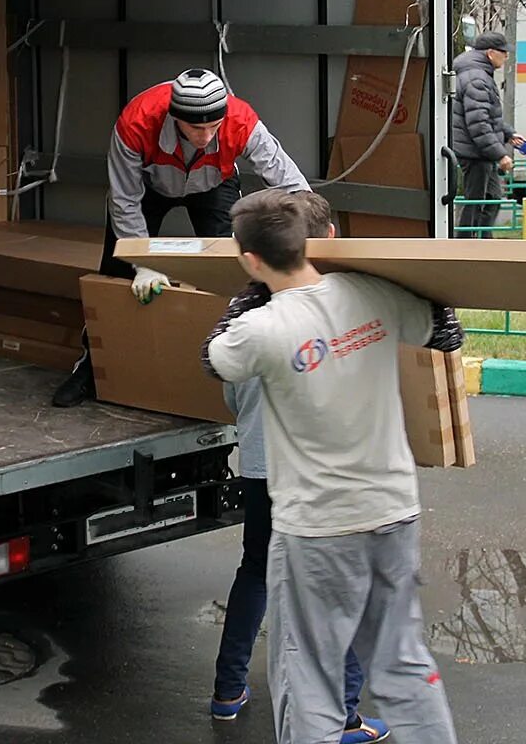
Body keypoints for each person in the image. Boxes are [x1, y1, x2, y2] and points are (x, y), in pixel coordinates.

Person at [202, 189, 464, 744]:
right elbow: (443, 332)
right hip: (394, 513)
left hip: (317, 529)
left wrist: (247, 297)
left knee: (309, 675)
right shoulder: (370, 293)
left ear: (248, 258)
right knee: (405, 663)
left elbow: (214, 358)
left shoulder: (262, 329)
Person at [210, 191, 390, 744]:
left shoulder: (243, 319)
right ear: (326, 241)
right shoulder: (340, 309)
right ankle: (343, 716)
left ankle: (227, 692)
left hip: (263, 469)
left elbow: (231, 394)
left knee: (257, 572)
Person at [50, 68, 309, 407]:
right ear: (174, 117)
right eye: (195, 128)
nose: (204, 137)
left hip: (213, 183)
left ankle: (228, 369)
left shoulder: (242, 120)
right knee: (116, 273)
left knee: (229, 274)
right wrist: (143, 263)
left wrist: (312, 229)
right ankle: (92, 368)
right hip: (148, 185)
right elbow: (125, 199)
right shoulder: (136, 122)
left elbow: (289, 181)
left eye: (213, 128)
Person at [450, 31, 525, 238]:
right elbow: (479, 125)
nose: (507, 56)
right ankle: (465, 247)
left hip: (480, 152)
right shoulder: (477, 79)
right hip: (475, 153)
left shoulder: (478, 74)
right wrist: (500, 154)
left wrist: (508, 133)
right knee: (475, 203)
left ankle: (482, 243)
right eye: (504, 52)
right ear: (491, 53)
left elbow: (487, 117)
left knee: (491, 198)